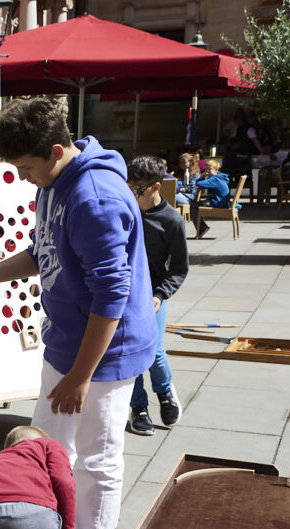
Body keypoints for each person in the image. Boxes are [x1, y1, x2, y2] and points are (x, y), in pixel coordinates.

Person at [0, 97, 156, 529]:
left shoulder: (95, 198)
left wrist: (80, 376)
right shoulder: (53, 183)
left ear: (57, 150)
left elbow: (112, 296)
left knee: (97, 463)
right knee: (46, 453)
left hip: (104, 358)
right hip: (65, 347)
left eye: (26, 168)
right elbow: (44, 252)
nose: (23, 178)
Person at [125, 156, 188, 435]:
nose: (132, 194)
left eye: (138, 189)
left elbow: (179, 268)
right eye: (129, 187)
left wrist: (161, 295)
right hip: (124, 293)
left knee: (153, 348)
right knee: (130, 351)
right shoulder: (126, 211)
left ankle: (164, 392)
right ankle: (138, 406)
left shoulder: (172, 220)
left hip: (153, 293)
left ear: (156, 187)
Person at [193, 157, 231, 239]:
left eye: (209, 169)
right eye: (206, 169)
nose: (207, 171)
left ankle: (202, 228)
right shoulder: (220, 177)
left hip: (218, 202)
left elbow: (199, 183)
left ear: (216, 170)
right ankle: (201, 225)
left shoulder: (215, 179)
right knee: (197, 204)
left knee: (194, 205)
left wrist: (202, 175)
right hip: (222, 201)